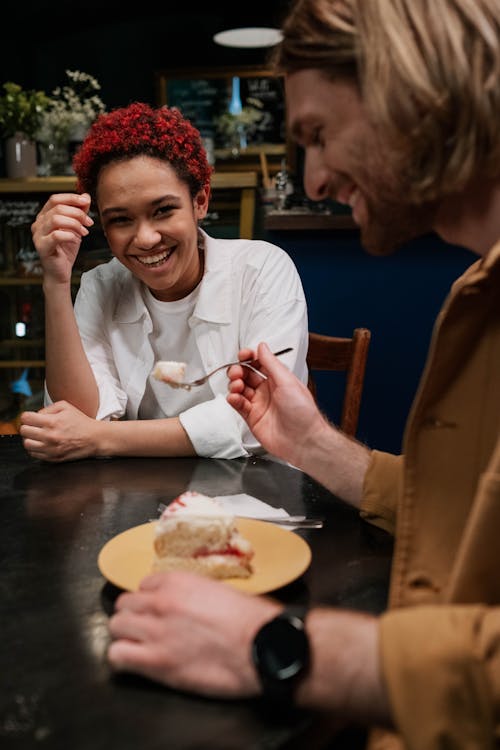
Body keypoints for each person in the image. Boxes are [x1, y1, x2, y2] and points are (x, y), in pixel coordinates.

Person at [107, 2, 500, 748]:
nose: (313, 181)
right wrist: (314, 444)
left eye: (318, 136)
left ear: (421, 89)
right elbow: (465, 516)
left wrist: (285, 647)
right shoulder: (479, 290)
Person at [19, 102, 308, 462]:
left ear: (200, 201)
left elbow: (258, 418)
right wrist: (56, 282)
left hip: (259, 493)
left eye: (163, 211)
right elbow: (75, 420)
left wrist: (102, 438)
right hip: (138, 502)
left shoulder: (262, 269)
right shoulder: (101, 285)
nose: (145, 238)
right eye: (121, 220)